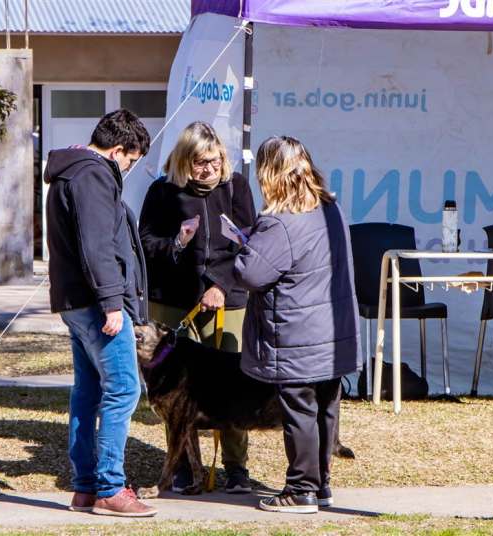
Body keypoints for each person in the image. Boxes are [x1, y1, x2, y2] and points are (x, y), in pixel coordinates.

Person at [233, 136, 362, 514]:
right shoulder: (330, 210)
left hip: (296, 333)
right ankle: (321, 486)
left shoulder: (279, 222)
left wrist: (245, 244)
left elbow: (251, 273)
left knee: (300, 412)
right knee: (325, 409)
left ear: (268, 173)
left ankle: (300, 490)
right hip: (332, 332)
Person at [45, 109, 156, 517]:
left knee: (89, 392)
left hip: (76, 301)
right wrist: (112, 302)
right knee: (124, 389)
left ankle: (86, 487)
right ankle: (110, 487)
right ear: (118, 149)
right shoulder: (92, 175)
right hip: (97, 303)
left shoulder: (70, 171)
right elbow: (97, 245)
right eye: (130, 160)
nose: (128, 169)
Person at [139, 121, 257, 493]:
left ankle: (236, 467)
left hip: (229, 300)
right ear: (183, 161)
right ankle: (186, 467)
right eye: (200, 163)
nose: (209, 169)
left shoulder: (236, 186)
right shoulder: (162, 190)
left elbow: (249, 241)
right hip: (175, 303)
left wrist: (222, 284)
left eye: (215, 160)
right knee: (178, 391)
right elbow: (145, 242)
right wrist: (176, 242)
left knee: (234, 384)